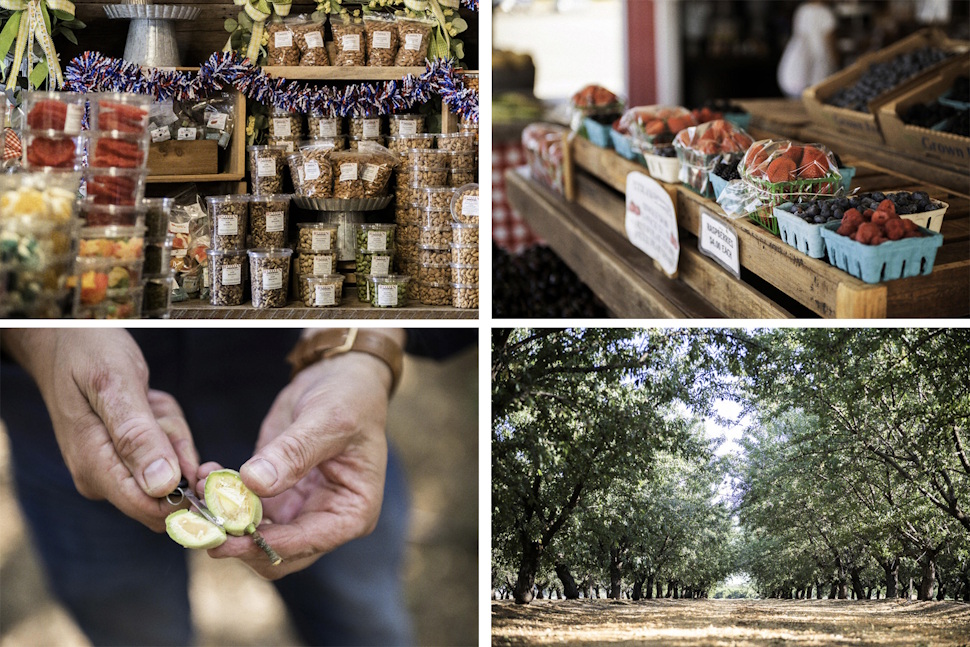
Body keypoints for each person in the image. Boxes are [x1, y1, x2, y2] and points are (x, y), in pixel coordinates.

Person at [0, 327, 475, 647]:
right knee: (132, 628)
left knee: (361, 617)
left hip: (305, 417)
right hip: (72, 421)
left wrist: (358, 349)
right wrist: (45, 335)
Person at [777, 1, 839, 98]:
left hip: (796, 70)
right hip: (818, 69)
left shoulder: (802, 9)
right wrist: (837, 65)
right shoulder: (826, 13)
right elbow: (830, 45)